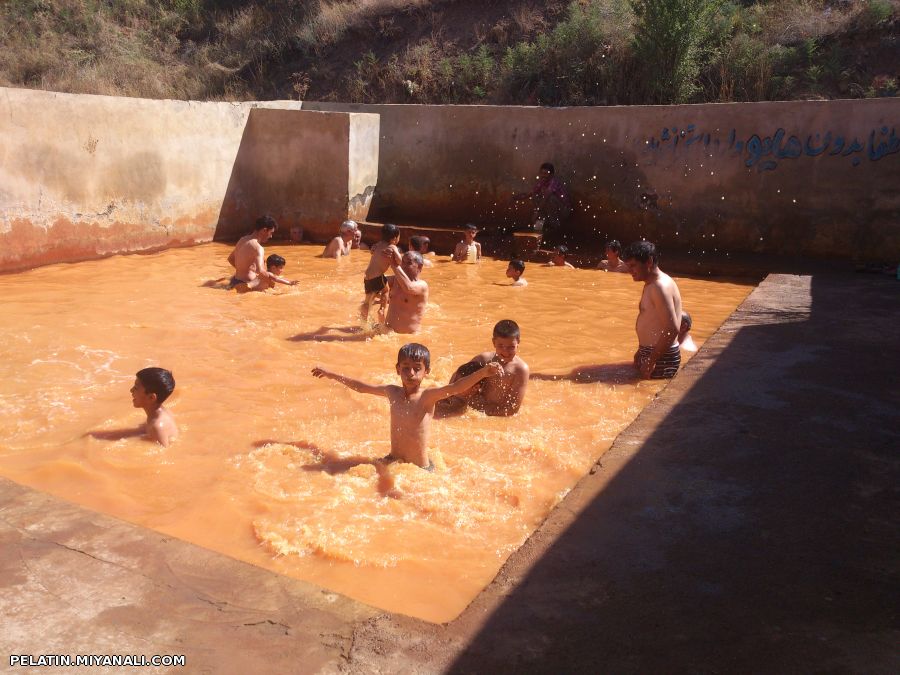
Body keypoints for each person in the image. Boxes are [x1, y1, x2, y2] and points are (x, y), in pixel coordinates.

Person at [312, 344, 503, 470]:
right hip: (392, 460)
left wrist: (484, 372)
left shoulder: (428, 396)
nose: (410, 373)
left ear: (426, 371)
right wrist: (331, 374)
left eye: (417, 368)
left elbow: (456, 387)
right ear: (397, 369)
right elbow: (361, 387)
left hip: (419, 469)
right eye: (405, 368)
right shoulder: (391, 392)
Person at [437, 319, 530, 417]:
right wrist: (448, 397)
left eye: (511, 347)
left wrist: (480, 413)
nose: (505, 351)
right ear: (493, 342)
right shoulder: (484, 359)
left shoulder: (521, 370)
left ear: (518, 342)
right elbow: (457, 376)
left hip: (489, 413)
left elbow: (512, 409)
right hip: (471, 406)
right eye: (501, 346)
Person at [623, 240, 683, 379]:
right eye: (628, 266)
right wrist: (641, 351)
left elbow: (671, 329)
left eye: (633, 265)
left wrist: (651, 360)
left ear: (649, 261)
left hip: (661, 358)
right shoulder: (653, 283)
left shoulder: (659, 287)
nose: (629, 270)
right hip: (656, 354)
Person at [514, 162, 571, 247]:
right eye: (542, 173)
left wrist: (536, 212)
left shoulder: (553, 182)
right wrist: (515, 198)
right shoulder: (542, 183)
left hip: (563, 211)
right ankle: (539, 229)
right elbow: (530, 194)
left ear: (551, 175)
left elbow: (547, 196)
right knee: (536, 196)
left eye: (546, 174)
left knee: (549, 198)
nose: (543, 175)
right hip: (550, 209)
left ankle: (555, 228)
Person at [361, 223, 402, 323]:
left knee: (368, 299)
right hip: (378, 276)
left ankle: (363, 320)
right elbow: (399, 260)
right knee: (386, 291)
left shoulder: (377, 244)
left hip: (367, 277)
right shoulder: (392, 247)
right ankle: (381, 310)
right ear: (395, 238)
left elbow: (372, 251)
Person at [226, 215, 279, 293]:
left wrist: (243, 270)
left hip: (235, 281)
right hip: (247, 284)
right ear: (264, 230)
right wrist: (272, 284)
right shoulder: (258, 247)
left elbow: (230, 259)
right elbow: (261, 272)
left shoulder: (242, 240)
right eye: (271, 233)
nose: (271, 236)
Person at [130, 367, 178, 447]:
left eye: (136, 388)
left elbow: (164, 452)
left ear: (151, 397)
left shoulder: (157, 427)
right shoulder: (163, 412)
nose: (131, 390)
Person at [384, 250, 429, 334]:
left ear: (420, 266)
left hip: (408, 337)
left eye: (408, 263)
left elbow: (408, 288)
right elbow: (377, 281)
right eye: (402, 262)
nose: (403, 266)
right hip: (388, 334)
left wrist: (394, 264)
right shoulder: (395, 280)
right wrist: (379, 257)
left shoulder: (422, 285)